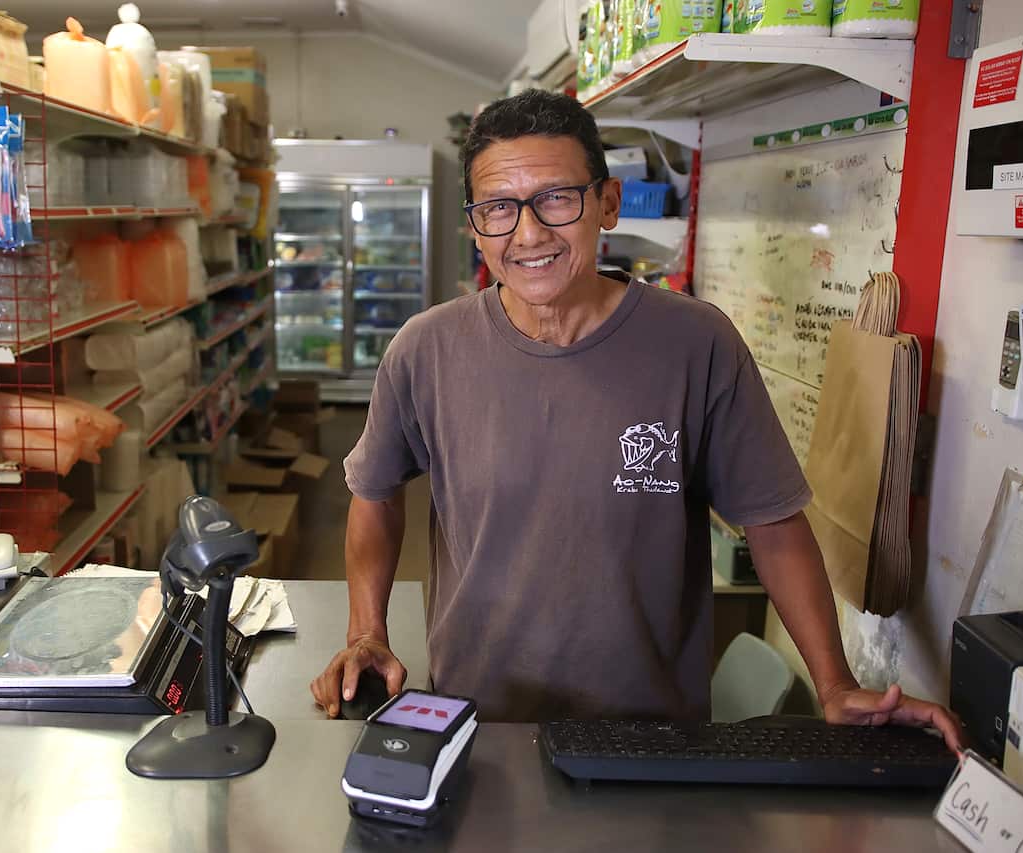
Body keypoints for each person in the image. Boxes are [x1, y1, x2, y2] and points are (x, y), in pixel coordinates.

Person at [309, 89, 963, 751]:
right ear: (477, 226)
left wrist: (833, 682)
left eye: (557, 198)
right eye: (500, 208)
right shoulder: (425, 350)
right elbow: (375, 491)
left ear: (608, 203)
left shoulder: (697, 343)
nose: (528, 233)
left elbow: (772, 520)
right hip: (480, 724)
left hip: (651, 739)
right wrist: (367, 629)